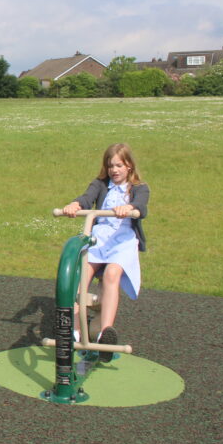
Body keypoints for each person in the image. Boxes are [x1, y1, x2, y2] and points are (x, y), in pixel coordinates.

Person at [61, 143, 149, 361]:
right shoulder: (101, 185)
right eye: (110, 166)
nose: (114, 170)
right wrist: (74, 204)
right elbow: (86, 197)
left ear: (129, 166)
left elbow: (141, 206)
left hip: (123, 239)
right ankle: (74, 331)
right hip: (100, 237)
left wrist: (129, 208)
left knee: (111, 275)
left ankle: (104, 334)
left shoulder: (139, 187)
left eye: (119, 165)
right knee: (81, 276)